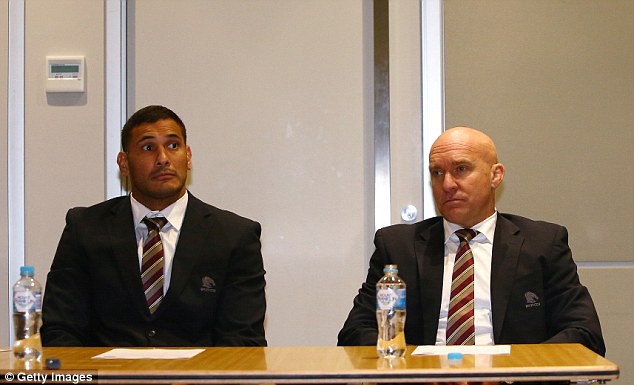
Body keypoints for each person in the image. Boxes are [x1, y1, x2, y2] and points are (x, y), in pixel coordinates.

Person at [338, 126, 605, 357]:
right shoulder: (398, 246)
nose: (448, 184)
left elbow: (585, 334)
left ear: (495, 175)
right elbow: (355, 333)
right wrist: (418, 368)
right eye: (437, 173)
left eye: (461, 169)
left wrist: (509, 369)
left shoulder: (542, 244)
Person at [41, 105, 266, 347]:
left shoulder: (234, 236)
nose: (163, 159)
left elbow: (243, 342)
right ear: (124, 163)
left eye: (173, 146)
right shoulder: (85, 229)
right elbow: (61, 331)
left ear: (188, 157)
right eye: (148, 148)